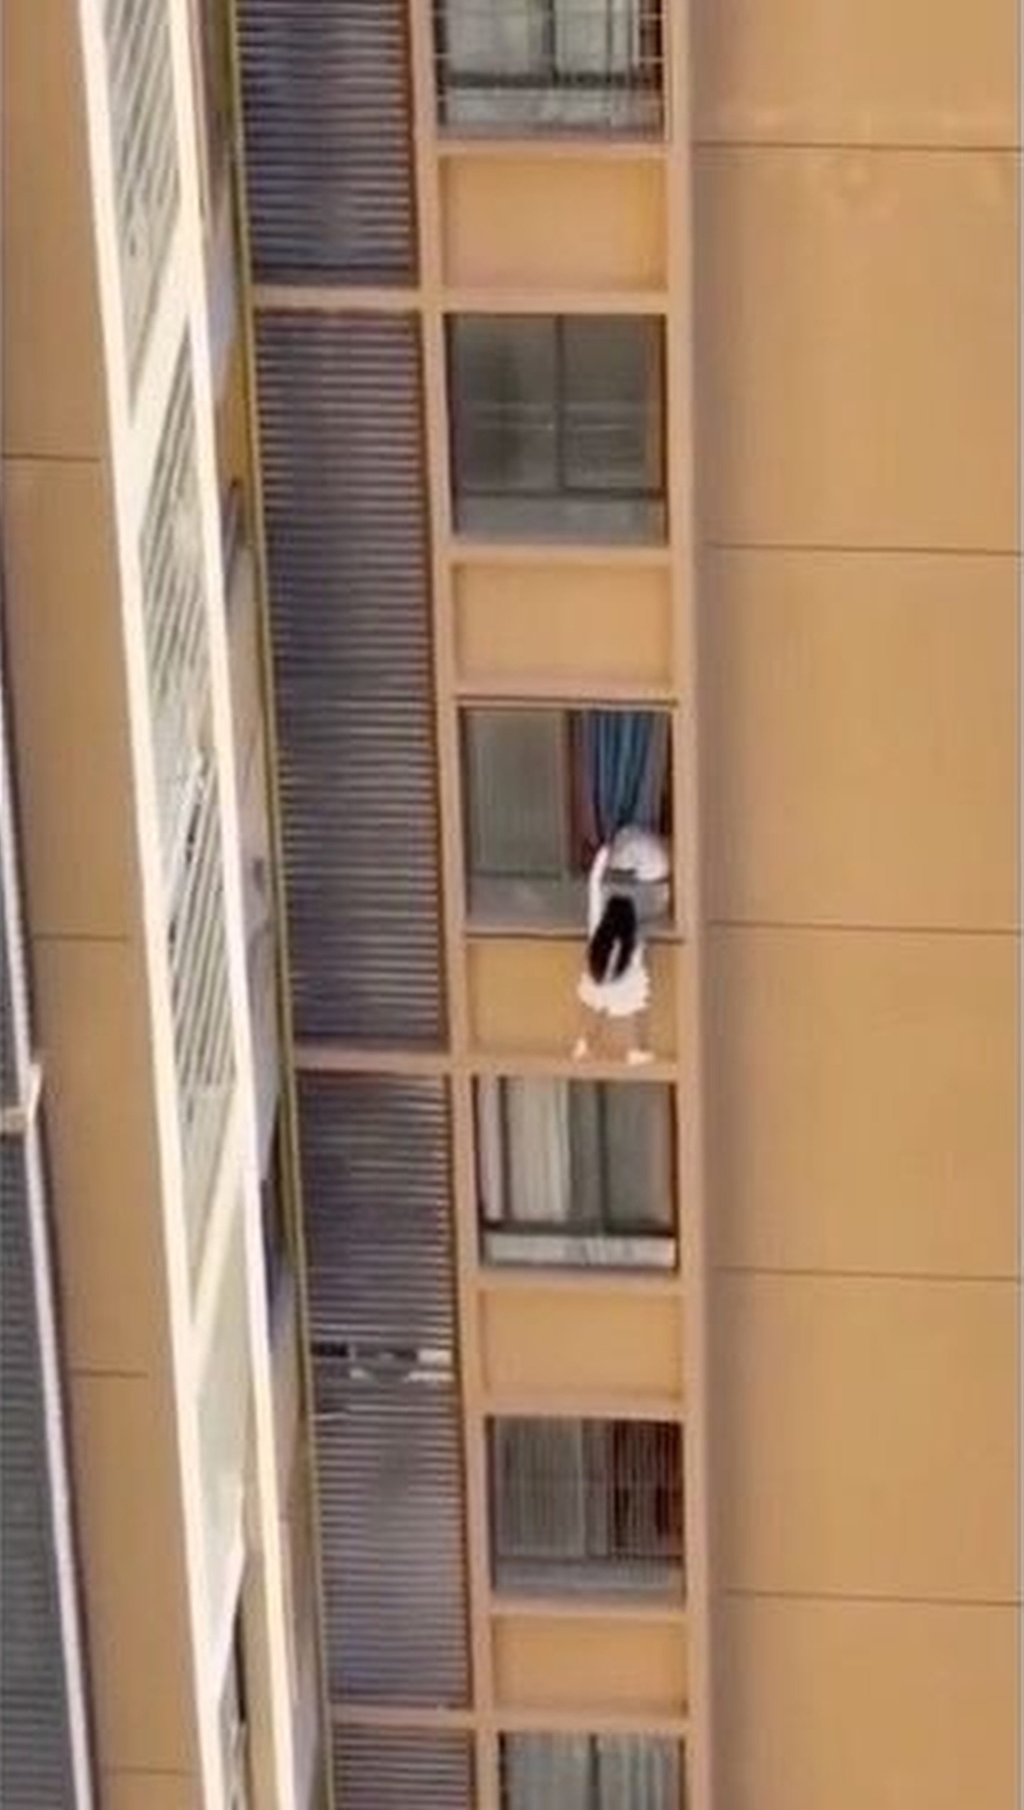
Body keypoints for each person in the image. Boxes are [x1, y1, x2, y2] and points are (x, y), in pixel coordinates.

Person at [572, 843, 653, 1065]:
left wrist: (603, 855)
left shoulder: (598, 927)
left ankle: (584, 1043)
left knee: (596, 1009)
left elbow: (594, 886)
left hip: (598, 980)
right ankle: (634, 1049)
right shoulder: (632, 940)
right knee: (634, 1009)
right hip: (621, 985)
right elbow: (637, 964)